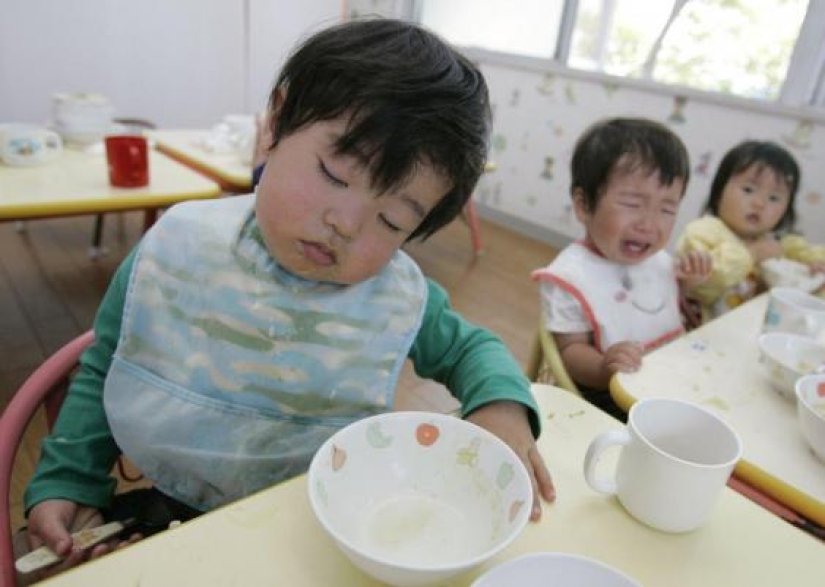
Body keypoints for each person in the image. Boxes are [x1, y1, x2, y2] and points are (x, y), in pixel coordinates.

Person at [18, 18, 556, 580]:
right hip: (168, 511)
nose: (344, 224)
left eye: (392, 219)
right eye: (334, 174)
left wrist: (503, 406)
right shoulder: (178, 247)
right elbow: (111, 361)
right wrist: (68, 480)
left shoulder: (391, 295)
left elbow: (475, 350)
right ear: (274, 124)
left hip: (318, 520)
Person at [532, 118, 711, 418]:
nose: (649, 224)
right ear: (583, 204)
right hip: (608, 396)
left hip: (670, 378)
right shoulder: (569, 276)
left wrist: (688, 285)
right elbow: (570, 352)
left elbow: (658, 305)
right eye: (632, 203)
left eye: (667, 209)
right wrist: (604, 368)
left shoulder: (658, 261)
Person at [677, 140, 825, 322]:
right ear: (719, 190)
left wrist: (815, 273)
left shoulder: (781, 245)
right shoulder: (703, 232)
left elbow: (809, 268)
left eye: (774, 198)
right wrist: (751, 254)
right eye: (748, 190)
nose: (759, 203)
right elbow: (703, 285)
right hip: (702, 336)